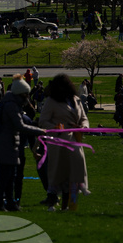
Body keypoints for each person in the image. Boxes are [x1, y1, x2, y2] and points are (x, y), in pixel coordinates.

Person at [0, 77, 46, 211]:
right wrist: (40, 131)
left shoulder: (10, 103)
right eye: (26, 94)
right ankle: (0, 203)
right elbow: (20, 126)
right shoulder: (12, 106)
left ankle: (10, 202)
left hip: (9, 144)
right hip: (7, 144)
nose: (28, 97)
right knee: (6, 176)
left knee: (10, 176)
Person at [39, 74, 90, 211]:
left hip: (75, 140)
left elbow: (84, 118)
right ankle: (53, 201)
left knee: (75, 171)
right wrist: (54, 128)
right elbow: (43, 120)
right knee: (59, 173)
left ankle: (70, 204)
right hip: (58, 142)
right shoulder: (51, 101)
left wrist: (83, 127)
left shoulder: (76, 100)